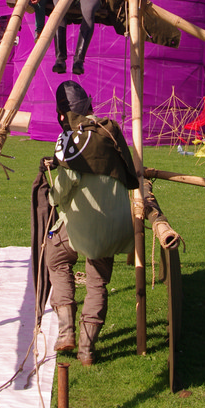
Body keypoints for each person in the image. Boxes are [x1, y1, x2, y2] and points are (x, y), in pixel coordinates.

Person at [43, 81, 137, 365]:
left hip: (83, 227)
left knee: (56, 256)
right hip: (117, 225)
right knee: (97, 283)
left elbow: (67, 183)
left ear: (63, 114)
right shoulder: (110, 130)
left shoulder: (74, 139)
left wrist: (51, 197)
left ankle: (66, 331)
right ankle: (86, 350)